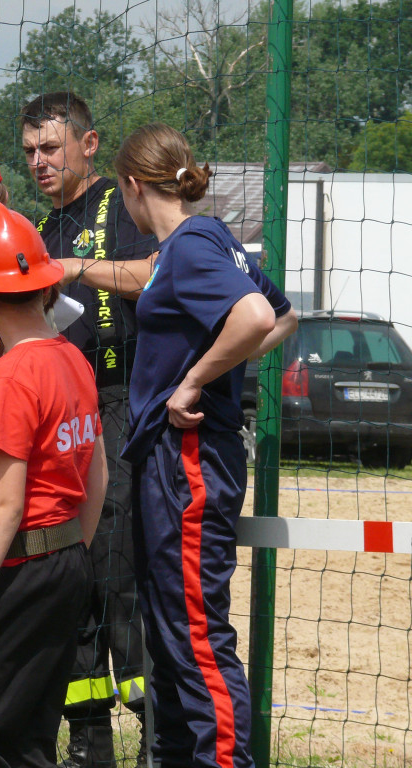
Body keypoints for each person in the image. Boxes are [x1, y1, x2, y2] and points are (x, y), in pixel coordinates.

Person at [114, 123, 297, 768]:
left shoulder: (190, 246)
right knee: (170, 634)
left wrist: (193, 381)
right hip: (172, 459)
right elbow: (283, 316)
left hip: (185, 461)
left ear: (134, 186)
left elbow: (254, 318)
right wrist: (218, 368)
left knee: (195, 635)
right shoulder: (211, 237)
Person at [0, 198, 107, 767]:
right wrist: (71, 552)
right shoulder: (71, 359)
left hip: (20, 568)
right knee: (29, 736)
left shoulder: (9, 375)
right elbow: (96, 474)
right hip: (65, 564)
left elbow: (4, 506)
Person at [20, 90, 155, 766]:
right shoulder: (41, 230)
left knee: (116, 573)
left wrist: (75, 269)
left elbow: (155, 274)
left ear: (89, 142)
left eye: (51, 147)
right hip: (61, 416)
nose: (40, 162)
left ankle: (161, 735)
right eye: (30, 153)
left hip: (122, 401)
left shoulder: (123, 207)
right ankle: (88, 743)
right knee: (68, 574)